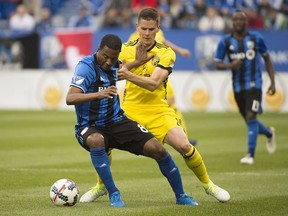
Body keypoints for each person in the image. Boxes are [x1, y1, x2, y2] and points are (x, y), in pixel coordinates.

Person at [80, 7, 230, 204]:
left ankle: (208, 184)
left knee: (184, 145)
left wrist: (129, 73)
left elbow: (153, 84)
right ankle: (101, 186)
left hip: (158, 111)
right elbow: (108, 73)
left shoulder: (166, 53)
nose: (147, 33)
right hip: (129, 110)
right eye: (144, 29)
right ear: (137, 27)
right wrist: (129, 66)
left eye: (152, 29)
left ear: (158, 28)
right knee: (104, 140)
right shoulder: (125, 49)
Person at [66, 34, 198, 207]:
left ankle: (181, 196)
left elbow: (122, 70)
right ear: (98, 49)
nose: (108, 62)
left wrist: (138, 62)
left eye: (113, 58)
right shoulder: (86, 67)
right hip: (89, 127)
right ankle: (114, 193)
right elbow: (70, 98)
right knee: (97, 141)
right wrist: (99, 94)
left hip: (116, 121)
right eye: (105, 56)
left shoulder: (114, 65)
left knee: (157, 149)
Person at [214, 10, 276, 165]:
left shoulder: (256, 38)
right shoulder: (225, 41)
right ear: (232, 22)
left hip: (255, 84)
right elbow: (217, 64)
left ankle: (250, 154)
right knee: (249, 121)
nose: (238, 22)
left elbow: (267, 59)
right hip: (237, 87)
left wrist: (273, 83)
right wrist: (230, 65)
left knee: (251, 116)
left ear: (246, 22)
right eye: (236, 20)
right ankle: (269, 133)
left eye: (241, 20)